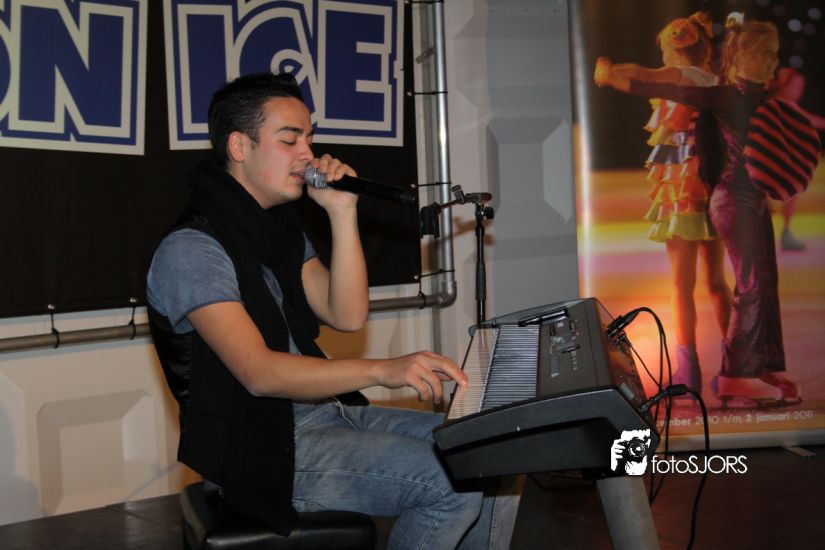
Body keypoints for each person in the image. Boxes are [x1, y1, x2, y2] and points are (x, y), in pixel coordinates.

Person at [146, 72, 520, 549]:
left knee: (497, 450)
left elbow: (346, 314)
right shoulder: (192, 250)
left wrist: (342, 211)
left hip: (325, 416)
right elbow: (259, 373)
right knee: (448, 483)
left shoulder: (276, 228)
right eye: (290, 140)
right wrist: (383, 370)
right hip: (262, 448)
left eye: (309, 138)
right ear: (239, 146)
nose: (308, 153)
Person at [596, 15, 818, 408]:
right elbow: (658, 84)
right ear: (738, 56)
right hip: (722, 197)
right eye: (766, 53)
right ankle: (737, 373)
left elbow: (651, 78)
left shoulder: (736, 91)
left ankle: (751, 369)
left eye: (774, 53)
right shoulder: (719, 90)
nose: (773, 60)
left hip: (719, 196)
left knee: (756, 286)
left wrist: (614, 75)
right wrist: (616, 78)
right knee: (743, 285)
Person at [594, 12, 732, 397]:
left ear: (673, 49)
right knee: (717, 283)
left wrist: (609, 71)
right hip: (713, 187)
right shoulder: (714, 79)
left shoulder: (676, 75)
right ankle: (735, 362)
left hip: (683, 190)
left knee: (681, 285)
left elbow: (642, 74)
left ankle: (689, 370)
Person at [766, 67, 825, 251]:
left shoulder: (782, 103)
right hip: (768, 160)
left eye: (801, 87)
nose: (798, 91)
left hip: (774, 159)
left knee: (792, 188)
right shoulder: (780, 104)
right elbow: (809, 120)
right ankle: (782, 233)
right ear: (783, 85)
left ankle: (784, 232)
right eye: (795, 86)